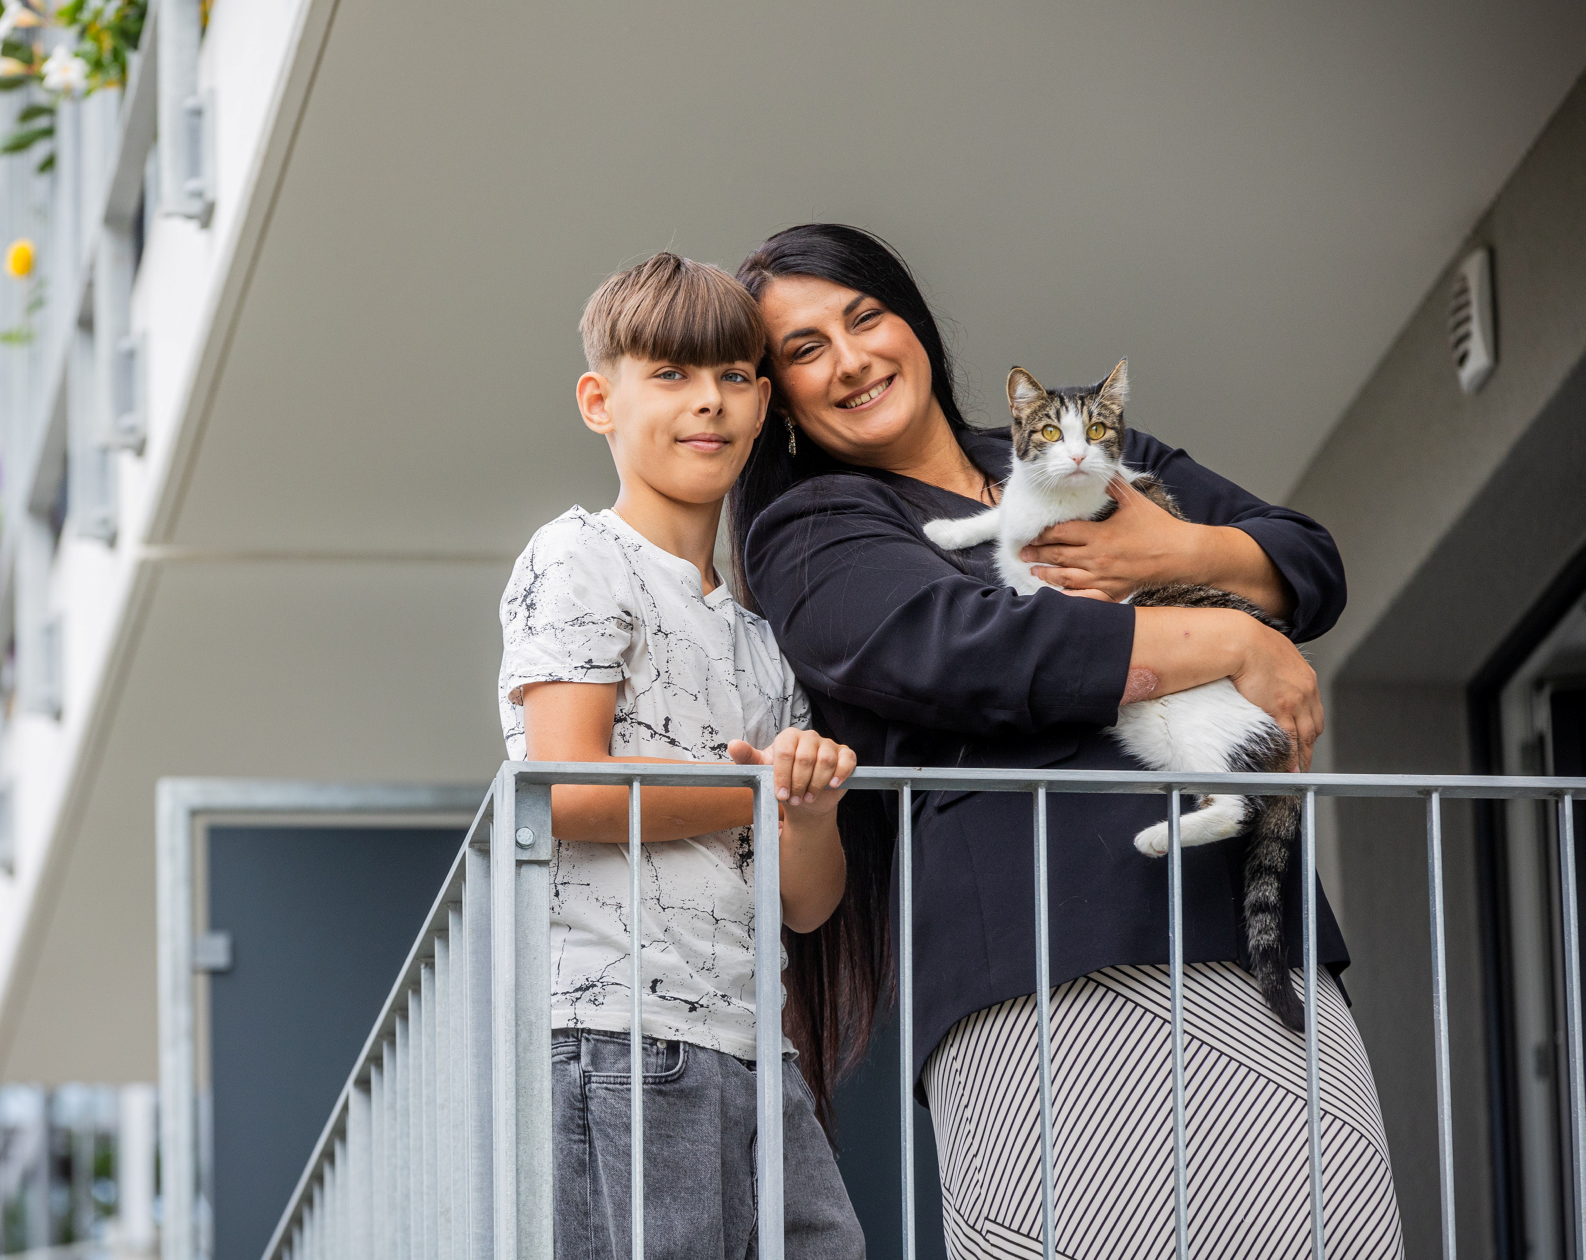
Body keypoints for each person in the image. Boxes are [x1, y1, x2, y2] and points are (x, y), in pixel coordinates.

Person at [730, 225, 1403, 1258]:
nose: (852, 357)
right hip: (1039, 955)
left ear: (912, 319)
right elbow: (967, 650)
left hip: (1240, 919)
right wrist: (1218, 632)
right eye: (806, 348)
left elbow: (1306, 560)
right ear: (779, 394)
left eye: (865, 317)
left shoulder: (1074, 453)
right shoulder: (813, 529)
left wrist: (1176, 548)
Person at [497, 253, 869, 1260]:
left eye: (735, 376)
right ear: (598, 400)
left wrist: (809, 805)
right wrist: (755, 793)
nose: (709, 401)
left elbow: (807, 901)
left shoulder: (760, 635)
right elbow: (566, 785)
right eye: (670, 373)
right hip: (620, 1026)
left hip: (754, 1043)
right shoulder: (578, 554)